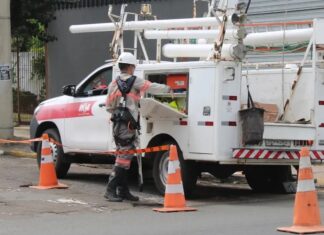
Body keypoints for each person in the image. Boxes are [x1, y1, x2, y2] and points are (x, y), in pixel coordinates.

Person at [105, 52, 171, 202]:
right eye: (133, 67)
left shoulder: (113, 84)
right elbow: (150, 87)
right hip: (127, 125)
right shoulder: (134, 81)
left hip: (117, 124)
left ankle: (122, 191)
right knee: (124, 157)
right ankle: (110, 189)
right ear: (129, 67)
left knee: (124, 156)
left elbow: (109, 106)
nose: (133, 69)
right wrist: (168, 88)